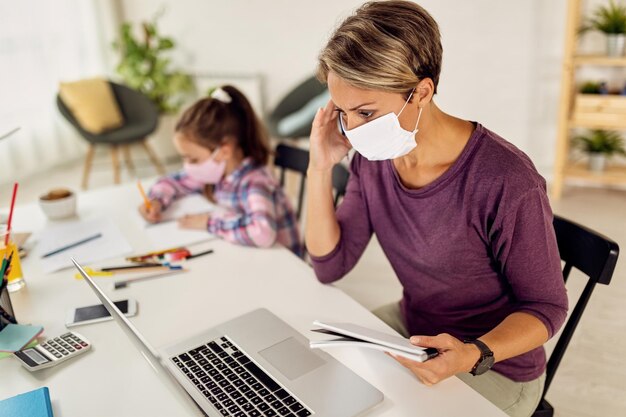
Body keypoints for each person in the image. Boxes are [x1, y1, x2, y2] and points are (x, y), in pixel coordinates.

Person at [305, 2, 568, 417]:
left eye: (366, 112)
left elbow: (546, 308)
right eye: (342, 112)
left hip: (494, 366)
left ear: (422, 92)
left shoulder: (506, 180)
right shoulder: (371, 164)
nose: (352, 131)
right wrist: (319, 167)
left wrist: (471, 354)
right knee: (317, 383)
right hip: (413, 329)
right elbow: (329, 265)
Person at [139, 85, 302, 256]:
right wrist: (156, 201)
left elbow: (262, 233)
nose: (187, 165)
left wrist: (209, 222)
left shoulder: (254, 181)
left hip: (282, 263)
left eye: (193, 159)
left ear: (224, 151)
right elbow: (174, 181)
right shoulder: (218, 171)